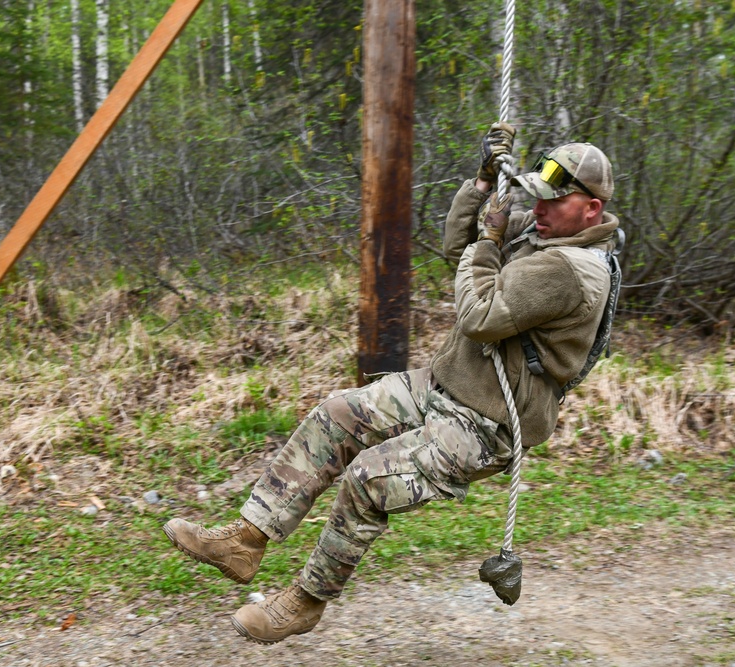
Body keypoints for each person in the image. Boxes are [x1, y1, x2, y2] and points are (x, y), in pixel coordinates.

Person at [162, 123, 621, 645]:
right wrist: (481, 184)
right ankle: (244, 541)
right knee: (337, 416)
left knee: (369, 480)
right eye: (535, 195)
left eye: (553, 201)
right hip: (449, 384)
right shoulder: (543, 232)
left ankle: (304, 602)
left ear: (592, 208)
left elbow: (480, 313)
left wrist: (491, 241)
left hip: (487, 421)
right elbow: (458, 247)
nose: (538, 207)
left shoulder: (570, 268)